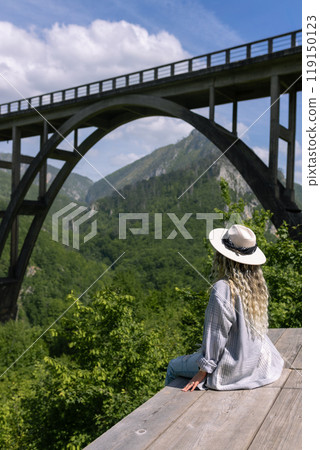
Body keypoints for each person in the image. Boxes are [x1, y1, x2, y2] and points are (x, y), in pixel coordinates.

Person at [165, 224, 284, 391]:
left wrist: (204, 369)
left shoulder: (223, 288)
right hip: (258, 362)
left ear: (223, 256)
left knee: (173, 366)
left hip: (232, 367)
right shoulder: (256, 286)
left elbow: (216, 334)